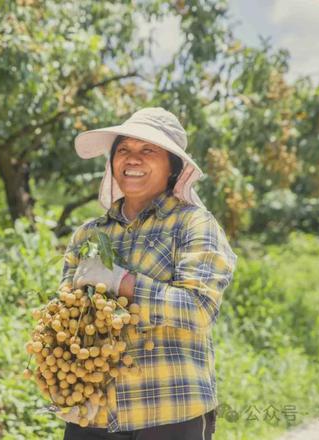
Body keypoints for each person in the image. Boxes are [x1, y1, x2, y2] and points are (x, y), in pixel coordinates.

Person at [56, 107, 238, 440]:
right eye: (124, 150)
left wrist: (121, 282)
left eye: (148, 150)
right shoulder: (88, 234)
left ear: (173, 168)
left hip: (168, 413)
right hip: (93, 414)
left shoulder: (193, 224)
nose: (133, 159)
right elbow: (66, 318)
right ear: (112, 162)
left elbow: (199, 309)